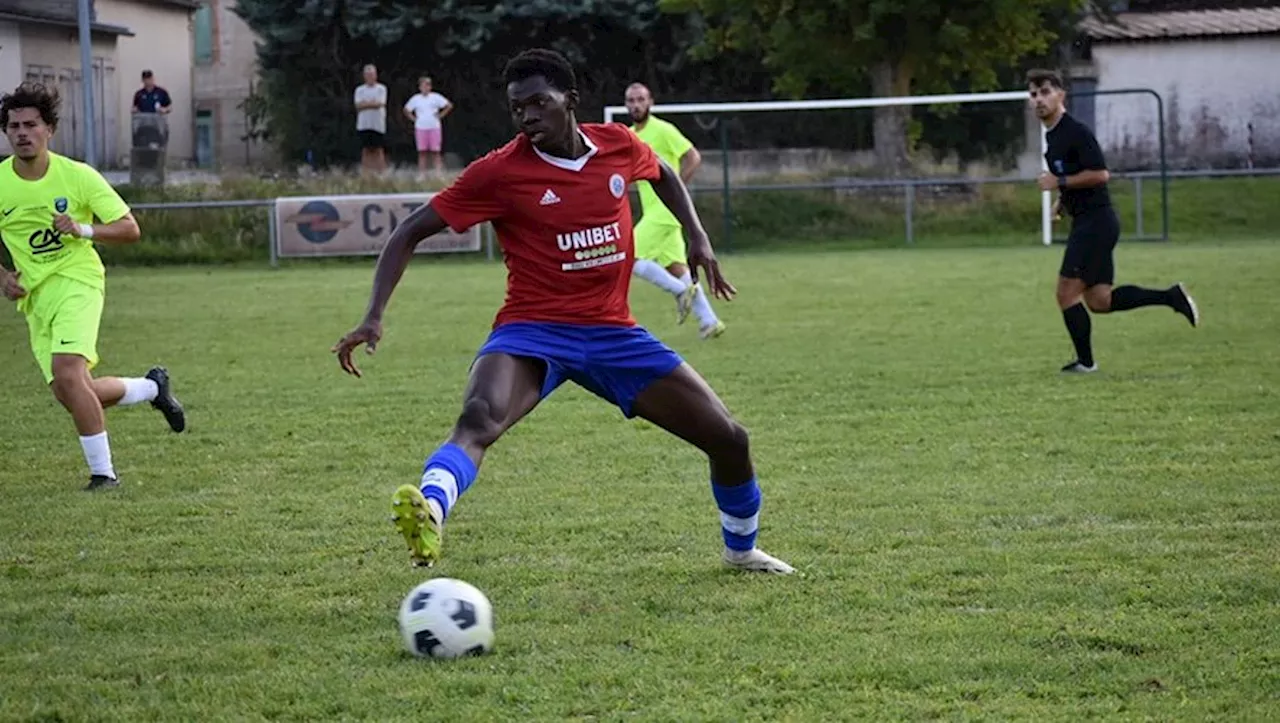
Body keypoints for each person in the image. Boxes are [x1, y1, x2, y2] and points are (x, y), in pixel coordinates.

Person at [332, 49, 793, 575]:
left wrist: (697, 235)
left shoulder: (617, 144)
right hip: (532, 332)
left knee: (730, 439)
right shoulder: (499, 172)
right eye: (516, 109)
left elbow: (662, 171)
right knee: (479, 417)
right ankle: (431, 510)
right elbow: (409, 230)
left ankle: (741, 551)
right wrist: (373, 315)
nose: (527, 117)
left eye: (538, 104)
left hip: (613, 335)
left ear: (569, 101)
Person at [0, 83, 186, 490]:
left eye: (31, 124)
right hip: (35, 297)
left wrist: (82, 229)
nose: (21, 132)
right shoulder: (0, 182)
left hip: (77, 280)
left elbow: (129, 229)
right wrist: (3, 276)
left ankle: (104, 476)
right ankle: (152, 387)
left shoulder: (78, 176)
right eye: (13, 126)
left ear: (49, 129)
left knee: (68, 373)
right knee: (72, 392)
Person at [1029, 69, 1198, 373]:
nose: (1038, 99)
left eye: (1044, 91)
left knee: (1066, 293)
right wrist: (1062, 201)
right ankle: (1171, 297)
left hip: (1096, 224)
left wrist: (1060, 182)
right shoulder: (1053, 138)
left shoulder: (1076, 131)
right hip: (1089, 222)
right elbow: (1074, 177)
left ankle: (1086, 364)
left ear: (1061, 95)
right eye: (1033, 94)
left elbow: (1100, 173)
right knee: (1099, 301)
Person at [624, 82, 724, 339]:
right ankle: (709, 321)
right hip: (654, 211)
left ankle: (681, 292)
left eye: (640, 99)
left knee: (628, 256)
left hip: (665, 210)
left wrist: (676, 188)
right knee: (677, 268)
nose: (636, 105)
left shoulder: (663, 130)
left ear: (651, 102)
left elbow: (693, 156)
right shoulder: (629, 135)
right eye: (631, 100)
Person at [403, 76, 454, 178]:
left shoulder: (436, 97)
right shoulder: (416, 99)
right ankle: (422, 174)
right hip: (421, 128)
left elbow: (449, 105)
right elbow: (406, 109)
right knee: (422, 152)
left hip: (434, 127)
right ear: (420, 87)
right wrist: (413, 119)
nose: (425, 87)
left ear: (430, 87)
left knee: (435, 151)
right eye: (423, 85)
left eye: (427, 85)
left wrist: (440, 116)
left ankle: (438, 173)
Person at [354, 64, 388, 175]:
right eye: (368, 75)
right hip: (364, 124)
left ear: (376, 75)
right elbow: (358, 105)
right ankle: (366, 173)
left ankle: (381, 174)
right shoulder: (359, 90)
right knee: (366, 150)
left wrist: (366, 103)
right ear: (364, 76)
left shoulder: (381, 88)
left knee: (378, 149)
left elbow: (380, 103)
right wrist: (371, 103)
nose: (370, 77)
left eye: (372, 74)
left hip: (377, 124)